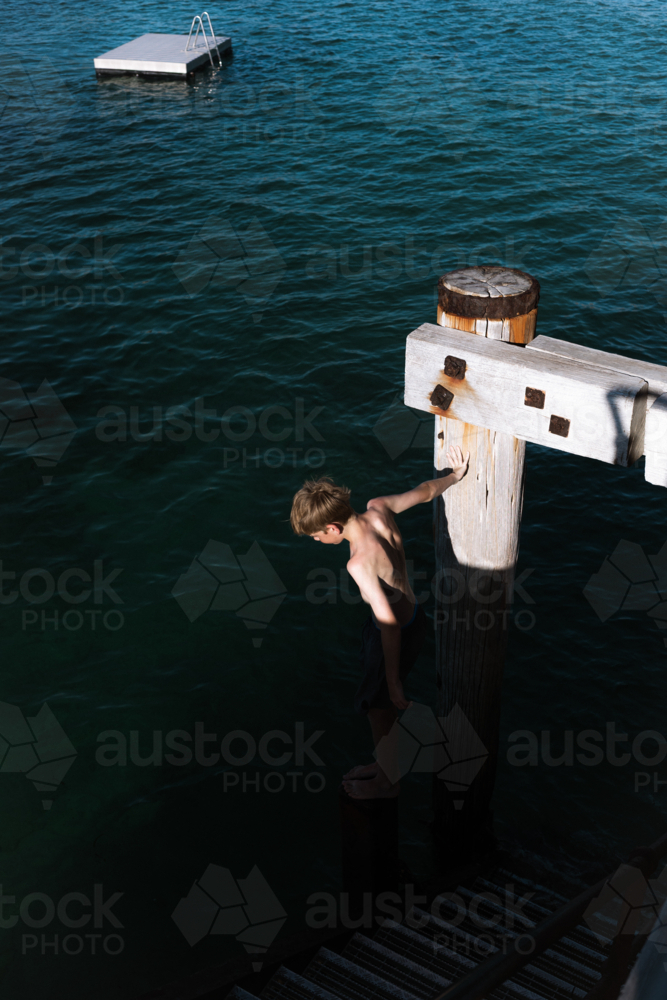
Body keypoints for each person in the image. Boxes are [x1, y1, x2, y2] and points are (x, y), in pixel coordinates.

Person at [290, 445, 470, 798]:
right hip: (415, 617)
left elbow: (386, 624)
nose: (316, 540)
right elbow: (425, 491)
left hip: (394, 632)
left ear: (332, 526)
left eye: (316, 535)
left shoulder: (357, 563)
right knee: (380, 705)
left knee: (377, 706)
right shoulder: (378, 508)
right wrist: (454, 475)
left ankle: (389, 783)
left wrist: (393, 681)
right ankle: (385, 764)